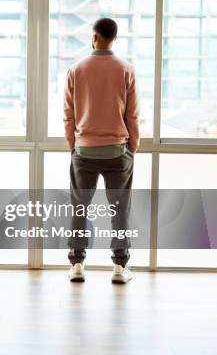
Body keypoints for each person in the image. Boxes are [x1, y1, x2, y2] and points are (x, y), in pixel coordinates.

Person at [63, 17, 139, 284]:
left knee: (79, 208)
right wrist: (133, 147)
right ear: (114, 38)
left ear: (93, 37)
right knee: (119, 210)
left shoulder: (76, 69)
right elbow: (132, 115)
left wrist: (73, 146)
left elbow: (69, 115)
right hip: (118, 151)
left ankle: (77, 265)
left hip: (84, 152)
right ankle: (119, 267)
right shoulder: (126, 70)